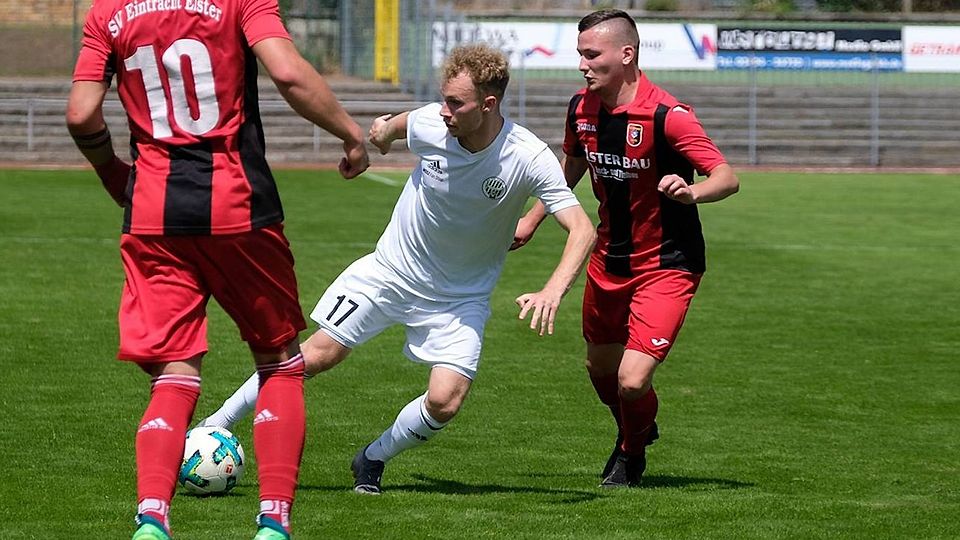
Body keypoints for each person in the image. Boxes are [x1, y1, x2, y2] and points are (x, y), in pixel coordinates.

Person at [198, 43, 596, 494]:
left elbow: (582, 229)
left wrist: (552, 290)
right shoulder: (432, 123)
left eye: (456, 103)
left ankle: (372, 458)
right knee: (317, 355)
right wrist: (381, 135)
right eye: (444, 99)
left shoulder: (527, 155)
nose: (444, 111)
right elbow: (395, 127)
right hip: (389, 273)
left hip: (460, 298)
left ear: (489, 104)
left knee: (446, 401)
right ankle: (215, 425)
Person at [65, 0, 369, 537]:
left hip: (154, 214)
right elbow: (287, 73)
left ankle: (152, 519)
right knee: (279, 363)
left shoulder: (108, 12)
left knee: (173, 375)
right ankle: (273, 523)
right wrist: (350, 132)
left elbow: (81, 113)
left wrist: (112, 171)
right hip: (238, 206)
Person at [512, 9, 740, 488]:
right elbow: (572, 164)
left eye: (592, 55)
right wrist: (532, 218)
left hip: (667, 263)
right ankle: (637, 425)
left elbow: (726, 177)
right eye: (580, 54)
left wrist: (692, 192)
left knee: (632, 379)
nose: (582, 65)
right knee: (600, 369)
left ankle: (630, 452)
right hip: (608, 258)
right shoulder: (580, 108)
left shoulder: (668, 116)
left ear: (627, 54)